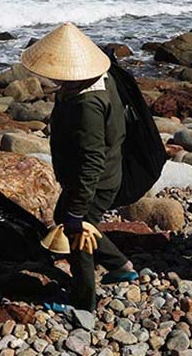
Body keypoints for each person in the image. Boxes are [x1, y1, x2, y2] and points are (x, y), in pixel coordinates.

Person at [21, 23, 138, 312]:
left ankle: (83, 301)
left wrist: (77, 209)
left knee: (77, 233)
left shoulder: (88, 105)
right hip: (100, 173)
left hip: (95, 180)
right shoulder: (101, 77)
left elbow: (92, 161)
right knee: (75, 221)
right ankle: (120, 265)